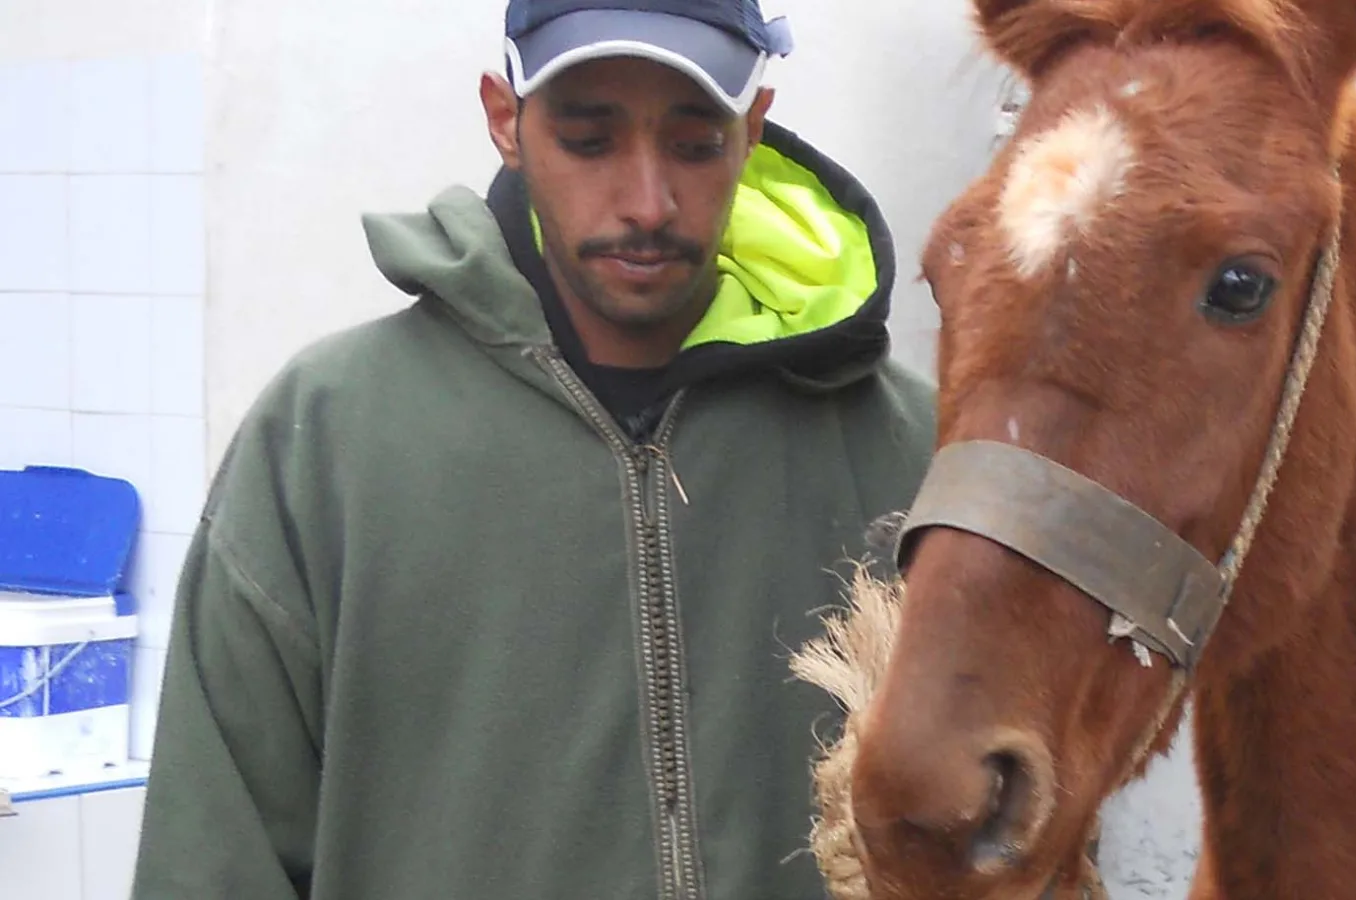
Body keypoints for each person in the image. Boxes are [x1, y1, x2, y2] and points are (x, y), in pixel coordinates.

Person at [130, 1, 936, 897]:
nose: (646, 203)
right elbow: (210, 859)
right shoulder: (327, 439)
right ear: (504, 120)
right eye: (590, 140)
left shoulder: (908, 447)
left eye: (695, 143)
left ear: (751, 130)